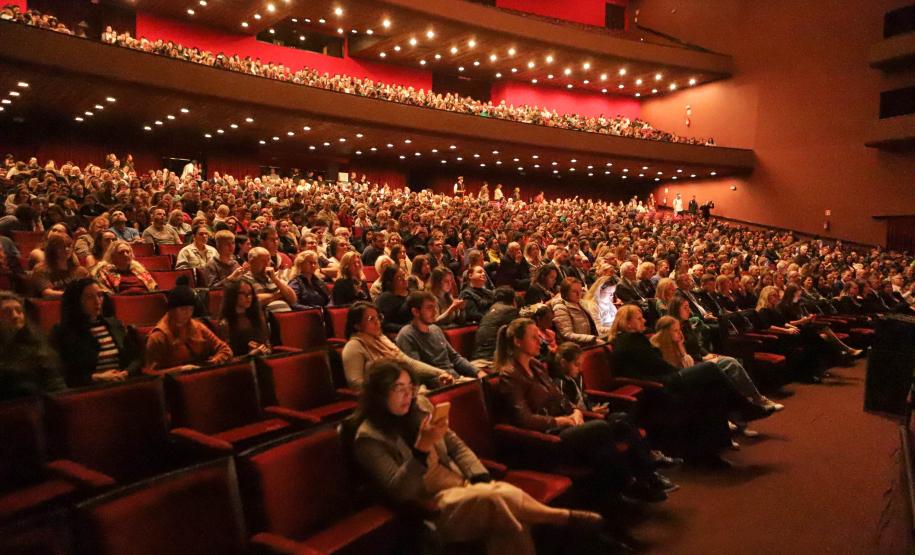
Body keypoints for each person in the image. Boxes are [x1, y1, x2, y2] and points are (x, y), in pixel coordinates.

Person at [351, 360, 603, 555]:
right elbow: (399, 491)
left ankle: (562, 519)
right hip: (430, 506)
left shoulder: (422, 408)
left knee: (500, 505)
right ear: (379, 394)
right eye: (398, 389)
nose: (408, 395)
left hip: (461, 485)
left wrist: (479, 475)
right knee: (498, 499)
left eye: (410, 387)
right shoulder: (369, 437)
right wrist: (421, 449)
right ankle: (559, 517)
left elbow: (456, 446)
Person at [493, 318, 670, 502]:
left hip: (566, 425)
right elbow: (523, 419)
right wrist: (560, 421)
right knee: (600, 428)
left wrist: (575, 411)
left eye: (539, 336)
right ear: (517, 341)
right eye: (534, 337)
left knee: (620, 419)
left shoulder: (536, 366)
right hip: (547, 439)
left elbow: (558, 396)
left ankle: (647, 476)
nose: (541, 341)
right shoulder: (510, 375)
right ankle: (629, 484)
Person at [610, 305, 770, 462]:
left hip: (664, 378)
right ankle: (743, 407)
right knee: (710, 368)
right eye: (639, 318)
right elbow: (656, 364)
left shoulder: (628, 340)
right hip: (660, 384)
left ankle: (723, 439)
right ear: (627, 323)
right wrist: (676, 371)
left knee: (714, 387)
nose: (644, 320)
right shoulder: (631, 340)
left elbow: (654, 362)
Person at [341, 301, 454, 390]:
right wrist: (392, 389)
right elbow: (355, 384)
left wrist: (440, 372)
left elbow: (408, 363)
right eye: (371, 319)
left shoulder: (383, 340)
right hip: (380, 399)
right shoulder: (353, 346)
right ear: (357, 325)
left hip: (401, 390)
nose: (377, 322)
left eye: (378, 317)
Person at [52, 278, 142, 387]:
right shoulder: (64, 331)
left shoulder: (114, 324)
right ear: (76, 301)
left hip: (121, 383)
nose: (97, 301)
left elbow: (136, 358)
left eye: (100, 295)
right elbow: (64, 374)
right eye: (89, 297)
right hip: (89, 391)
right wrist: (97, 377)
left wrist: (125, 373)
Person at [144, 281, 232, 373]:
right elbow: (151, 373)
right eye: (183, 309)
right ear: (172, 310)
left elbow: (225, 349)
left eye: (191, 309)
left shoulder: (198, 327)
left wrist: (214, 361)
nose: (187, 313)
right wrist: (180, 370)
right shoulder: (158, 337)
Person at [396, 291, 486, 379]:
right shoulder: (406, 335)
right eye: (429, 308)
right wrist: (445, 380)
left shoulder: (435, 329)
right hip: (439, 385)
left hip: (454, 378)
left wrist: (477, 371)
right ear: (415, 312)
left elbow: (455, 358)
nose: (435, 312)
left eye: (435, 307)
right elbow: (418, 372)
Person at [0, 291, 65, 400]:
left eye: (19, 311)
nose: (15, 316)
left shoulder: (37, 341)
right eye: (6, 312)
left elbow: (55, 382)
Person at [218, 278, 271, 357]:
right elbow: (227, 357)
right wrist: (249, 355)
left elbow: (268, 346)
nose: (248, 297)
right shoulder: (225, 323)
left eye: (250, 293)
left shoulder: (257, 317)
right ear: (233, 295)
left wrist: (263, 349)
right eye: (243, 293)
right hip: (240, 366)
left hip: (262, 360)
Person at [91, 240, 158, 295]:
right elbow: (106, 293)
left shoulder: (139, 269)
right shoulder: (104, 271)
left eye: (127, 252)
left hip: (147, 301)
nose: (125, 255)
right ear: (113, 256)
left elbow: (153, 287)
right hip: (123, 304)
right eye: (121, 252)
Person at [472, 286, 519, 363]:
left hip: (478, 356)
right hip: (491, 359)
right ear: (513, 300)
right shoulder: (510, 311)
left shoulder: (491, 310)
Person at [552, 277, 604, 346]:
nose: (578, 294)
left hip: (592, 341)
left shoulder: (582, 303)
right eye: (574, 291)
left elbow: (594, 325)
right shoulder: (560, 308)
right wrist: (592, 339)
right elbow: (567, 334)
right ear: (565, 292)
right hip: (578, 348)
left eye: (580, 290)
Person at [244, 247, 296, 312]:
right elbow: (253, 301)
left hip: (286, 317)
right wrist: (277, 295)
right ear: (251, 261)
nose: (266, 264)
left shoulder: (273, 278)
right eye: (262, 261)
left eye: (268, 260)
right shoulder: (244, 280)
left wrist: (275, 280)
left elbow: (293, 299)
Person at [374, 266, 411, 334]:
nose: (404, 279)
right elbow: (384, 323)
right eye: (399, 278)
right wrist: (408, 328)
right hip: (398, 334)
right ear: (390, 282)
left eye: (404, 275)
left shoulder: (412, 293)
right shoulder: (385, 298)